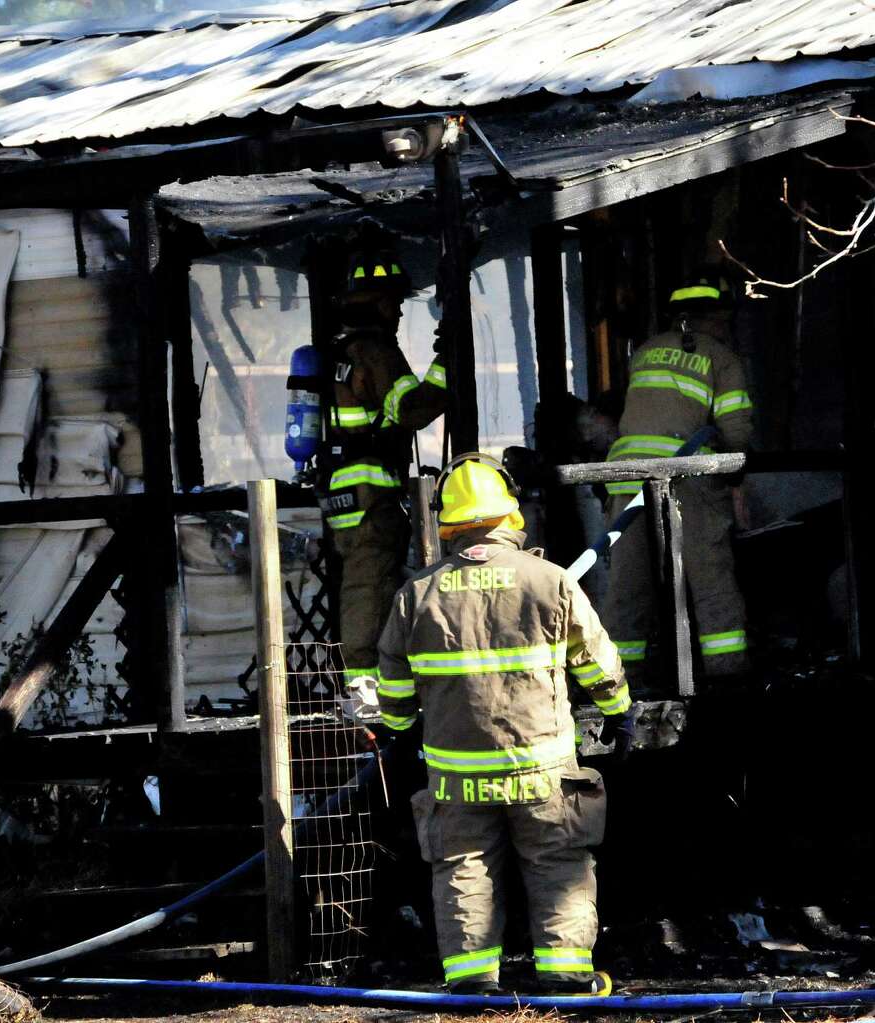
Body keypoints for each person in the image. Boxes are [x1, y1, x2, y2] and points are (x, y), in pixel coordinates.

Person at [377, 454, 630, 994]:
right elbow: (595, 658)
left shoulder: (416, 595)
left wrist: (399, 732)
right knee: (557, 862)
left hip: (456, 773)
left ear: (447, 522)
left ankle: (472, 983)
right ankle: (565, 975)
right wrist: (619, 711)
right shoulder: (549, 581)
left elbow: (394, 688)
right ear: (510, 513)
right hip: (542, 766)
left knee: (462, 868)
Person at [601, 270, 754, 689]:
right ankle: (728, 679)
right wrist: (737, 470)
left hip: (626, 479)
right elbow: (736, 429)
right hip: (689, 479)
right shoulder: (721, 358)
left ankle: (617, 683)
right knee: (710, 580)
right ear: (717, 317)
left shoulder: (646, 351)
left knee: (629, 585)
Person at [318, 231, 447, 687]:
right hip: (371, 493)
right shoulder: (374, 351)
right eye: (394, 302)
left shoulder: (341, 349)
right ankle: (367, 686)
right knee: (371, 583)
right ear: (375, 302)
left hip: (346, 491)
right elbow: (412, 409)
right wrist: (447, 362)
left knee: (365, 580)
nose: (398, 312)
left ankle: (373, 680)